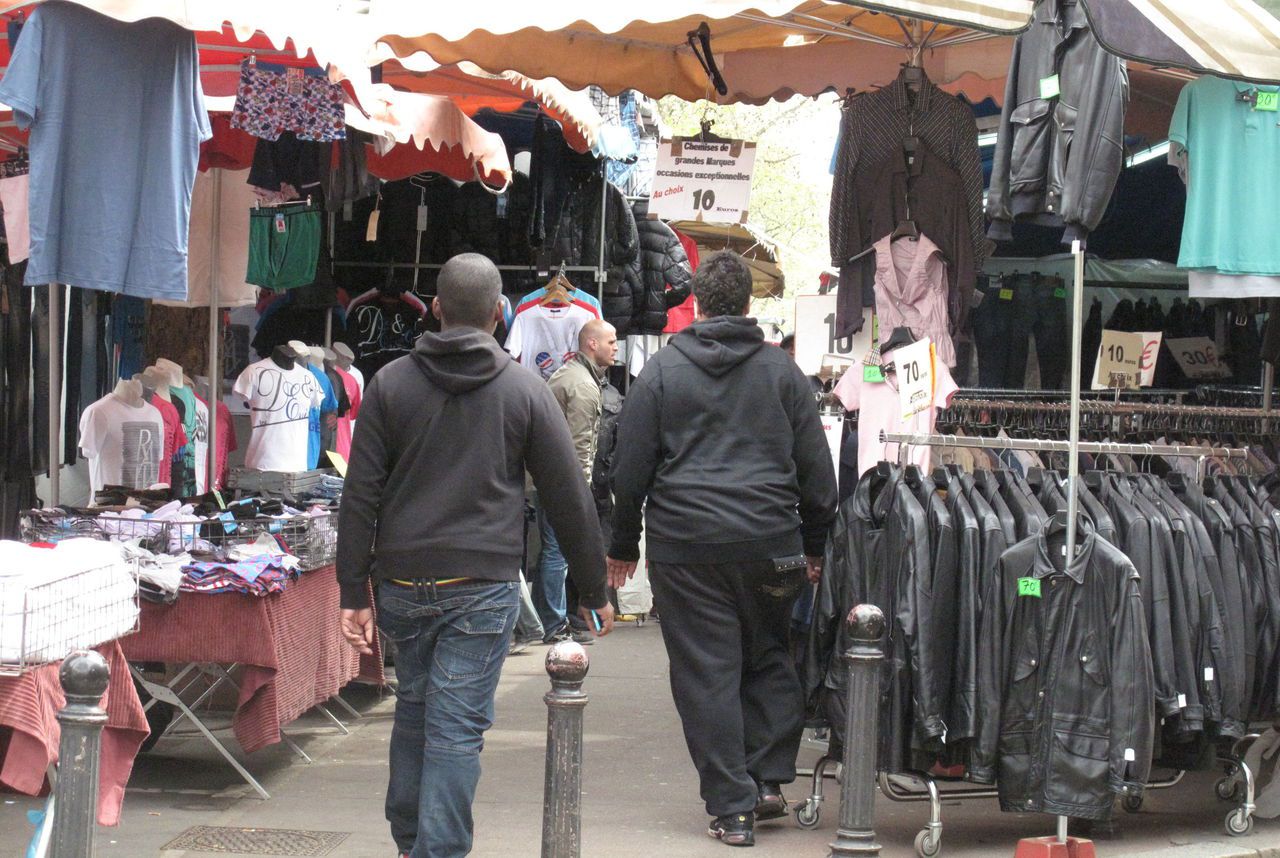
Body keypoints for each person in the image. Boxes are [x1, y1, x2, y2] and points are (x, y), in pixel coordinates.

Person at [336, 253, 614, 858]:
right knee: (456, 727)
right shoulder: (525, 390)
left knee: (414, 706)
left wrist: (352, 591)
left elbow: (360, 493)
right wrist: (593, 590)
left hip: (404, 581)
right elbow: (570, 498)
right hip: (482, 582)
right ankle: (435, 849)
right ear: (498, 313)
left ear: (435, 309)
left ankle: (412, 840)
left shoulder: (390, 384)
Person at [607, 251, 838, 848]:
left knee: (706, 670)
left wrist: (623, 543)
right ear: (747, 305)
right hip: (771, 543)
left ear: (700, 304)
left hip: (688, 548)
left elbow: (629, 468)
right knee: (769, 658)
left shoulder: (661, 373)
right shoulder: (783, 374)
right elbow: (818, 474)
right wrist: (815, 546)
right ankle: (765, 781)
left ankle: (732, 807)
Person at [537, 319, 618, 642]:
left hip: (549, 479)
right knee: (557, 552)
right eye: (610, 341)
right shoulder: (583, 386)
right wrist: (580, 497)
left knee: (555, 552)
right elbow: (580, 447)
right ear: (592, 345)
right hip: (560, 484)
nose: (616, 347)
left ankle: (556, 620)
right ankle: (554, 626)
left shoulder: (571, 374)